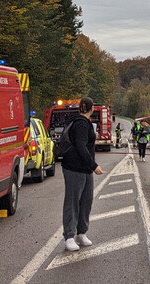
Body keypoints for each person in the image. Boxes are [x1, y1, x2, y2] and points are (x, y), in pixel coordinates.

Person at [61, 97, 105, 252]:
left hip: (84, 169)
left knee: (86, 201)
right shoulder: (80, 124)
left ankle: (81, 232)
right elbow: (80, 146)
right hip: (74, 168)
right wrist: (94, 165)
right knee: (73, 201)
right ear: (92, 108)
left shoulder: (81, 122)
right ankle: (69, 236)